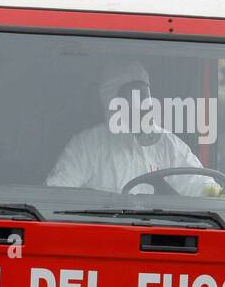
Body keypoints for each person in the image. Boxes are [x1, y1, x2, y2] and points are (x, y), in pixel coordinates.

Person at [46, 60, 210, 195]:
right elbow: (58, 192)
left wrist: (211, 192)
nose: (146, 106)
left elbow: (195, 182)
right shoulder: (86, 146)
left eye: (147, 97)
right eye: (136, 99)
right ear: (114, 103)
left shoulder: (167, 143)